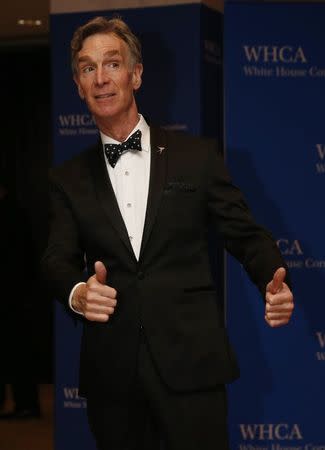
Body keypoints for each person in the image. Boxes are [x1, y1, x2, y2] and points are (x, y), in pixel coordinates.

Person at [42, 16, 294, 450]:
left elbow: (245, 234)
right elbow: (56, 260)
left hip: (193, 366)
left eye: (112, 64)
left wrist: (272, 278)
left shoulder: (195, 157)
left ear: (136, 74)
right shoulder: (68, 179)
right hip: (113, 379)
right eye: (87, 69)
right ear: (78, 86)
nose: (101, 78)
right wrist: (78, 292)